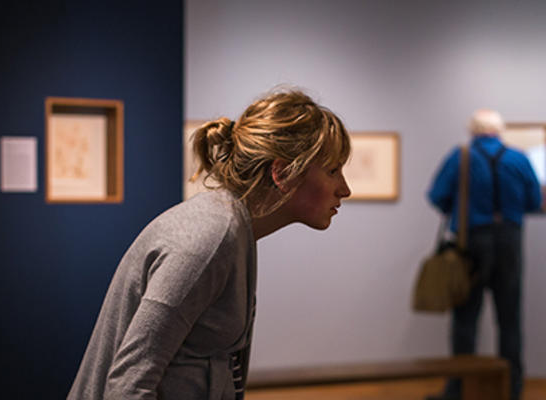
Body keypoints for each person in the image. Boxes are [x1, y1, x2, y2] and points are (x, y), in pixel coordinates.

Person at [67, 88, 351, 400]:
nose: (344, 189)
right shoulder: (209, 238)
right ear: (283, 172)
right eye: (333, 170)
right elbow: (127, 385)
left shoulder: (236, 231)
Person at [426, 109, 541, 400]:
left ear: (473, 131)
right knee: (510, 320)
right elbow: (535, 200)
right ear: (499, 131)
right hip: (510, 242)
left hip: (471, 242)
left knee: (465, 319)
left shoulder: (461, 157)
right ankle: (512, 390)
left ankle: (459, 390)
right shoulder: (518, 158)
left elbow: (437, 196)